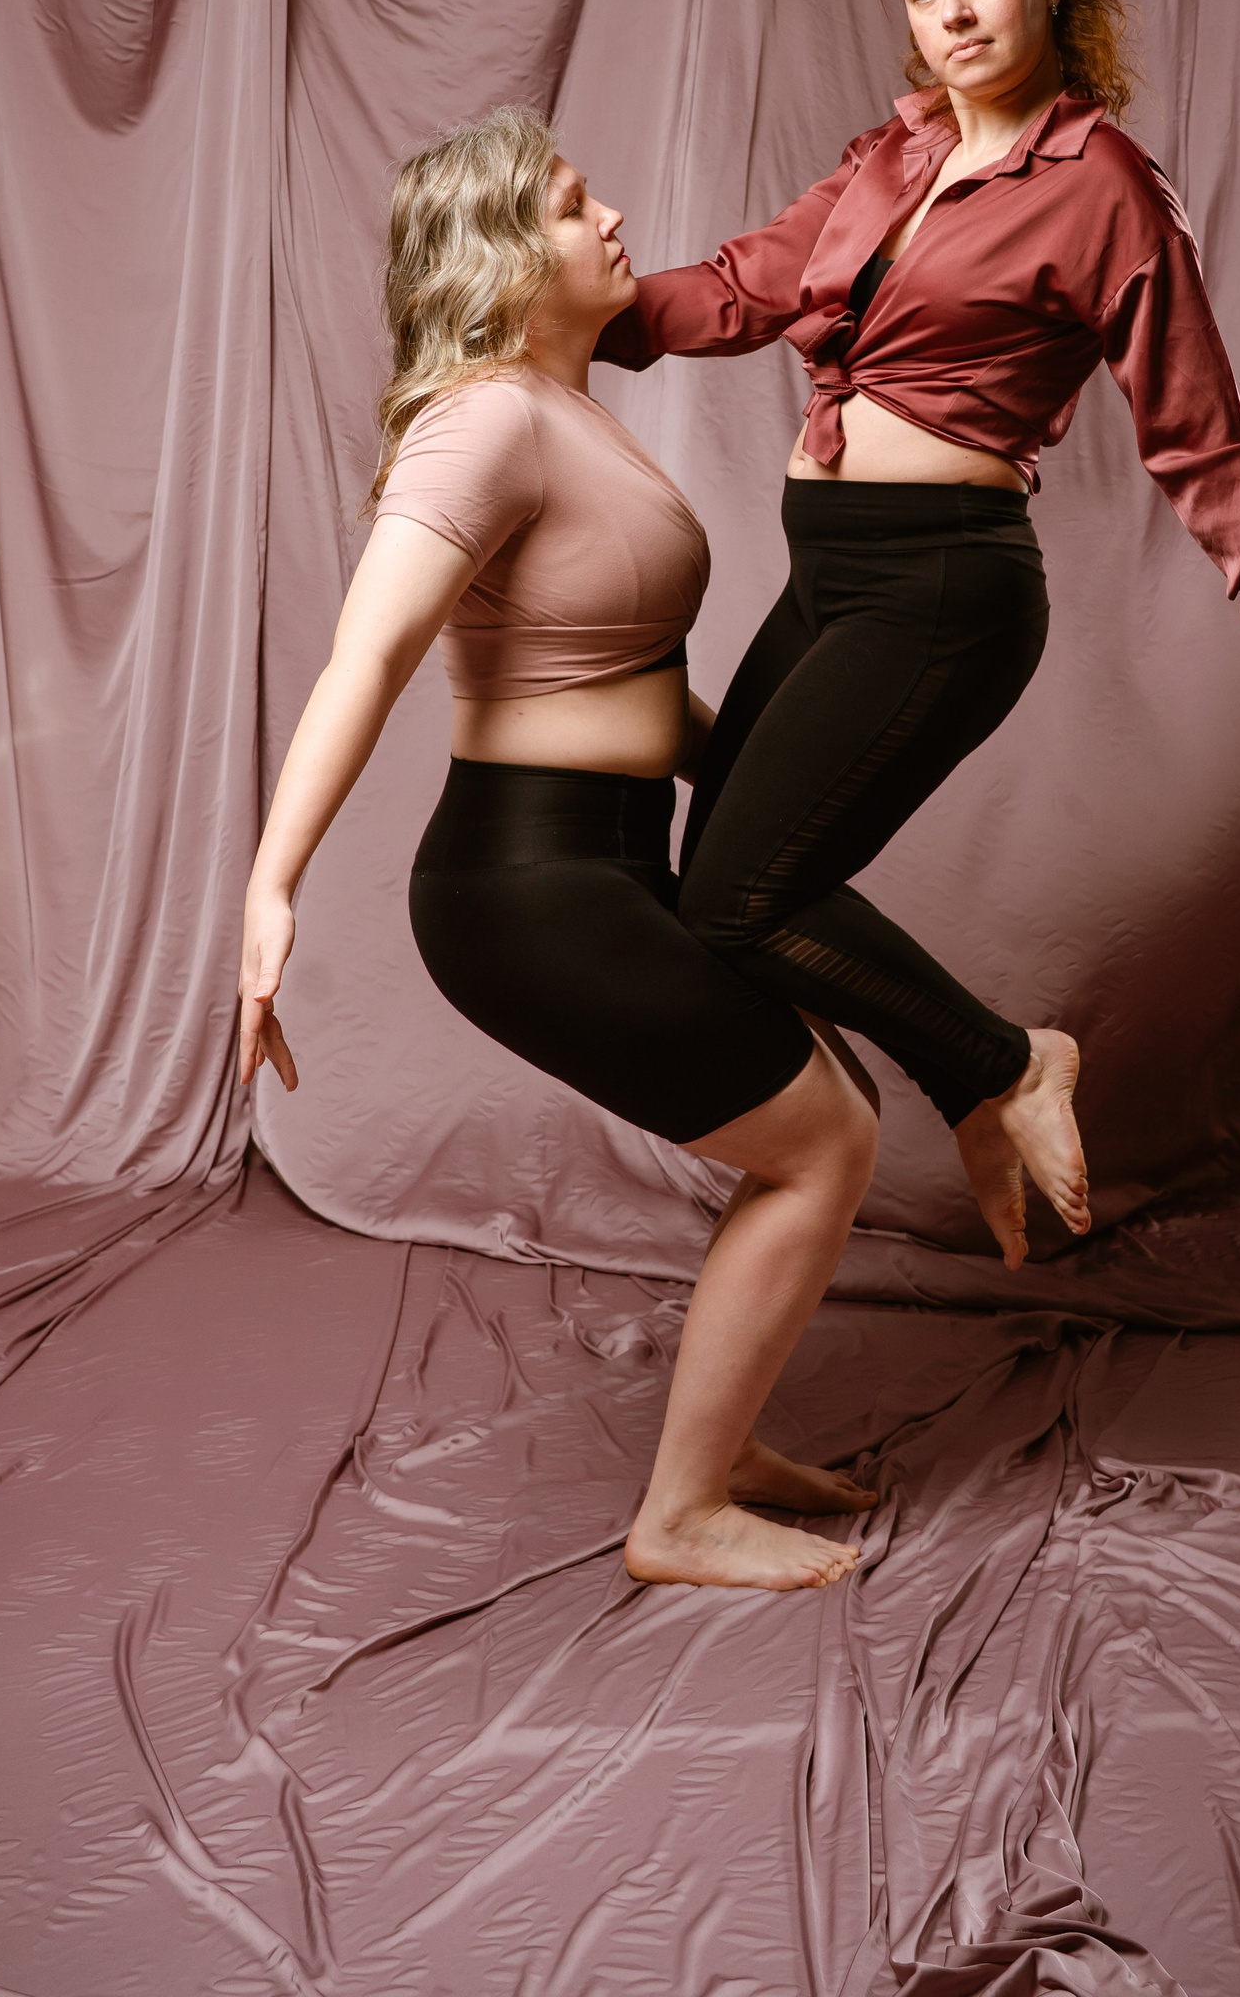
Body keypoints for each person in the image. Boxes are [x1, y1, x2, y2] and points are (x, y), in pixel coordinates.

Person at [234, 106, 1074, 1594]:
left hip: (609, 858)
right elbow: (369, 654)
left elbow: (616, 684)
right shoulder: (483, 422)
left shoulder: (563, 411)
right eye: (573, 206)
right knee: (822, 1142)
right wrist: (272, 882)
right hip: (526, 886)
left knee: (828, 1112)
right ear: (506, 262)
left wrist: (780, 765)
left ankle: (724, 1449)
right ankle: (680, 1516)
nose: (612, 217)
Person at [596, 0, 1240, 1265]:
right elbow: (745, 288)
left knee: (742, 897)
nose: (957, 12)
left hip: (942, 587)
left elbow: (1190, 408)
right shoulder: (897, 153)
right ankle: (960, 1093)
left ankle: (1005, 1065)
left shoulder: (1104, 185)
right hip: (832, 574)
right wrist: (566, 320)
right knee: (718, 890)